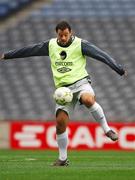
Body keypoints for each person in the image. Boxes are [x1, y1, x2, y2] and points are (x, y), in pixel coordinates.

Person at [0, 21, 127, 166]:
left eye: (66, 35)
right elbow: (30, 50)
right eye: (61, 35)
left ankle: (107, 129)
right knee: (60, 123)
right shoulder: (50, 45)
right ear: (57, 34)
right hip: (63, 91)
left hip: (81, 83)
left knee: (88, 99)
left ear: (70, 32)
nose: (63, 38)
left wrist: (119, 69)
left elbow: (101, 55)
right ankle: (62, 159)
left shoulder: (80, 44)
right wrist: (7, 55)